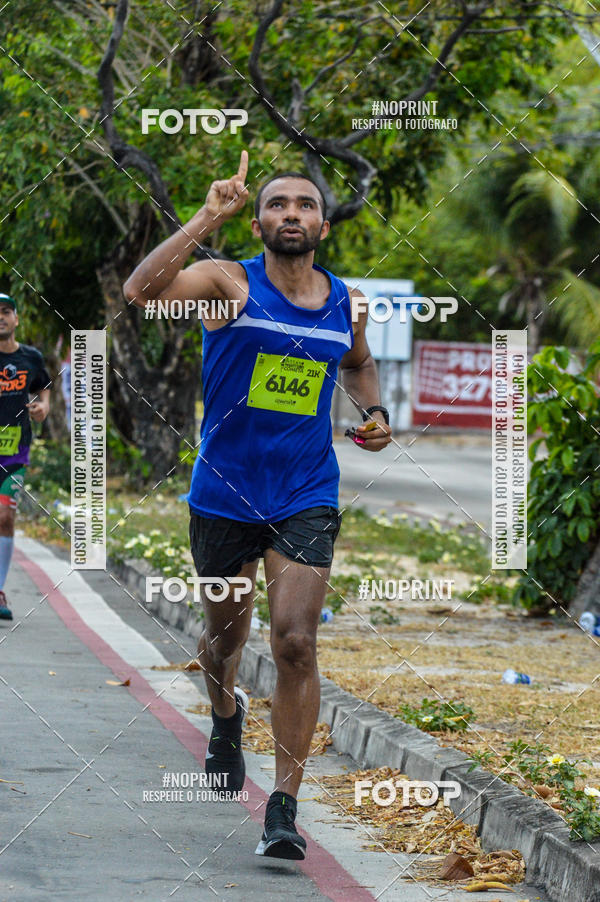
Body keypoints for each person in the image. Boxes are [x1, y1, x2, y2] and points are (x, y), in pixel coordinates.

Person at [124, 150, 392, 860]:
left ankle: (284, 808)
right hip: (224, 493)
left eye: (305, 205)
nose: (291, 214)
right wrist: (207, 216)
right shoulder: (227, 285)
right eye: (277, 204)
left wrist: (374, 412)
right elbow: (140, 292)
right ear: (259, 221)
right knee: (224, 639)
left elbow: (358, 363)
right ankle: (224, 712)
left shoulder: (347, 302)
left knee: (296, 641)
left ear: (324, 226)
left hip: (306, 491)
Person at [0, 293, 51, 619]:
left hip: (14, 453)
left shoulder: (31, 357)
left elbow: (44, 386)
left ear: (16, 319)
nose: (0, 317)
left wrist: (43, 406)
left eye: (6, 312)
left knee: (5, 517)